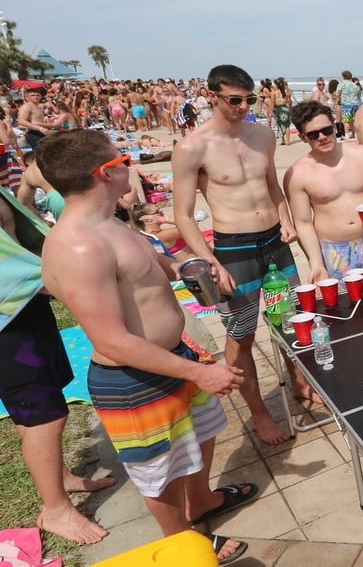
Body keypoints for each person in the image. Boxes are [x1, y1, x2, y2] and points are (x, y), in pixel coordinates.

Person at [38, 130, 253, 564]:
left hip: (176, 357)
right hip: (133, 380)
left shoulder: (111, 219)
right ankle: (183, 540)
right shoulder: (79, 245)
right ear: (105, 173)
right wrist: (200, 372)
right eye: (123, 160)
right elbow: (112, 341)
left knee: (203, 434)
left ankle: (203, 502)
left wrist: (183, 266)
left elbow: (151, 266)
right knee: (160, 473)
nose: (131, 166)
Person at [172, 64, 313, 446]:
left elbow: (271, 186)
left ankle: (299, 381)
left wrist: (285, 220)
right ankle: (259, 414)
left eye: (248, 99)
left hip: (274, 242)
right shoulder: (193, 146)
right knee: (242, 334)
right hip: (232, 249)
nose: (242, 107)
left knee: (288, 319)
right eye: (234, 100)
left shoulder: (262, 135)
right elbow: (182, 215)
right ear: (213, 96)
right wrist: (212, 262)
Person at [0, 190, 114, 545]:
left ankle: (59, 476)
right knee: (42, 415)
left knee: (42, 399)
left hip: (23, 308)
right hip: (7, 324)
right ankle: (55, 510)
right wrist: (59, 276)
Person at [284, 101, 363, 282]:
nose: (322, 137)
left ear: (334, 127)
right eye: (313, 134)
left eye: (327, 130)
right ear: (303, 137)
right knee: (347, 307)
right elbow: (303, 223)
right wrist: (316, 263)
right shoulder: (298, 174)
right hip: (333, 252)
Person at [336, 70, 362, 139]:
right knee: (353, 121)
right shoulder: (355, 85)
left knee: (346, 120)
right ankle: (354, 134)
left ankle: (347, 134)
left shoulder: (342, 84)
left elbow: (337, 93)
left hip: (346, 104)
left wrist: (338, 100)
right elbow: (359, 95)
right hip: (355, 104)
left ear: (343, 76)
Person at [271, 78, 293, 145]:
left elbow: (272, 104)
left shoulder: (274, 93)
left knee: (280, 125)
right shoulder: (286, 92)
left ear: (277, 85)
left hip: (278, 109)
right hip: (285, 109)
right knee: (287, 126)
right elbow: (289, 102)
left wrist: (272, 112)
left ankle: (283, 140)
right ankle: (288, 141)